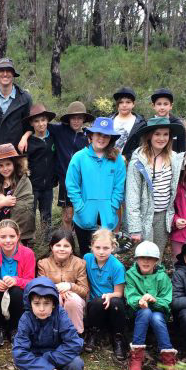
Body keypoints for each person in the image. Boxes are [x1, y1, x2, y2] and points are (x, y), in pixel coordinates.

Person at [12, 277, 84, 370]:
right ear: (30, 303)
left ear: (54, 304)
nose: (42, 309)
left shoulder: (61, 315)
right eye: (37, 304)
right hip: (36, 360)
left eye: (46, 304)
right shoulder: (26, 319)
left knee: (76, 364)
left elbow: (74, 343)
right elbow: (19, 353)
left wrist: (49, 361)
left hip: (58, 357)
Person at [20, 100, 93, 237]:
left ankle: (78, 239)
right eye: (73, 118)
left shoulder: (88, 137)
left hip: (82, 181)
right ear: (68, 119)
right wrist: (25, 136)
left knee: (82, 212)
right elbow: (38, 128)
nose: (76, 121)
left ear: (84, 119)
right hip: (64, 180)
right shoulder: (60, 130)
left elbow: (101, 143)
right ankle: (44, 239)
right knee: (66, 215)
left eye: (79, 118)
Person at [124, 117, 186, 259]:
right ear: (149, 136)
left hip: (163, 215)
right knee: (143, 255)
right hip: (144, 215)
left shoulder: (175, 159)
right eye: (157, 134)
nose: (161, 138)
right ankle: (139, 280)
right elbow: (132, 195)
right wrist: (135, 228)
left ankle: (156, 280)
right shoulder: (138, 162)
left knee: (157, 254)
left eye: (166, 134)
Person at [64, 117, 126, 256]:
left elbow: (119, 186)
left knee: (105, 254)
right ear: (91, 135)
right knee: (87, 255)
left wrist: (113, 206)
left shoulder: (117, 159)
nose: (102, 138)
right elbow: (72, 185)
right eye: (99, 134)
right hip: (83, 215)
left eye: (106, 135)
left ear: (111, 138)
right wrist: (80, 207)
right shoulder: (79, 157)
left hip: (107, 215)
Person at [0, 219, 36, 347]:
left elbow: (31, 281)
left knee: (16, 291)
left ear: (18, 237)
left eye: (12, 236)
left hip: (18, 294)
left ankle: (15, 329)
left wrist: (16, 280)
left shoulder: (28, 254)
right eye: (3, 237)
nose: (8, 240)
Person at [124, 241, 175, 370]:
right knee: (146, 312)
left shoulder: (163, 277)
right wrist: (139, 301)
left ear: (156, 261)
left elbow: (167, 300)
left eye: (150, 258)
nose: (146, 261)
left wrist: (155, 300)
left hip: (158, 312)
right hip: (138, 312)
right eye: (142, 258)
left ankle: (168, 360)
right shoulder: (131, 274)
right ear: (136, 259)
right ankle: (136, 358)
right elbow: (130, 295)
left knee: (157, 317)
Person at [83, 228, 128, 359]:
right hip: (95, 304)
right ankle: (93, 332)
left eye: (106, 248)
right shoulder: (87, 259)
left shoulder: (117, 266)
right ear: (91, 246)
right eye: (97, 247)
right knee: (97, 302)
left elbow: (119, 293)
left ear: (113, 247)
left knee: (115, 303)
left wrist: (109, 295)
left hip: (112, 301)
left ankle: (118, 337)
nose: (101, 252)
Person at [37, 228, 89, 336]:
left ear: (72, 249)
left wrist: (70, 286)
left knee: (72, 300)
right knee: (56, 298)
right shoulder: (43, 263)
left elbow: (84, 291)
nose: (62, 249)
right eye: (58, 245)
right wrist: (58, 288)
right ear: (52, 247)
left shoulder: (80, 263)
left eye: (66, 246)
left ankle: (75, 335)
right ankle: (52, 334)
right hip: (51, 295)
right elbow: (40, 287)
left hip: (74, 298)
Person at [0, 143, 35, 246]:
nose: (5, 168)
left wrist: (3, 199)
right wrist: (3, 203)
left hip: (19, 231)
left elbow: (26, 205)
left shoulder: (23, 181)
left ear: (15, 164)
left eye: (8, 164)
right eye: (1, 166)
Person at [121, 88, 186, 158]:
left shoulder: (178, 125)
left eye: (165, 104)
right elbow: (142, 145)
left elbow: (183, 148)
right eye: (159, 104)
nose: (162, 107)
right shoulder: (147, 124)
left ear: (171, 106)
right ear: (153, 106)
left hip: (171, 162)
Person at [24, 104, 57, 241]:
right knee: (29, 213)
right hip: (32, 185)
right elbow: (23, 162)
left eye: (43, 120)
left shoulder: (53, 136)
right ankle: (29, 239)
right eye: (36, 121)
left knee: (46, 213)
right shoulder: (28, 142)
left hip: (48, 184)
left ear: (47, 120)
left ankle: (46, 240)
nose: (40, 124)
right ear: (31, 123)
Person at [107, 87, 146, 159]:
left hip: (129, 163)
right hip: (107, 160)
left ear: (133, 104)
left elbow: (142, 146)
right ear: (117, 104)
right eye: (121, 102)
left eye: (128, 102)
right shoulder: (108, 120)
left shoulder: (140, 123)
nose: (124, 105)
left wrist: (126, 157)